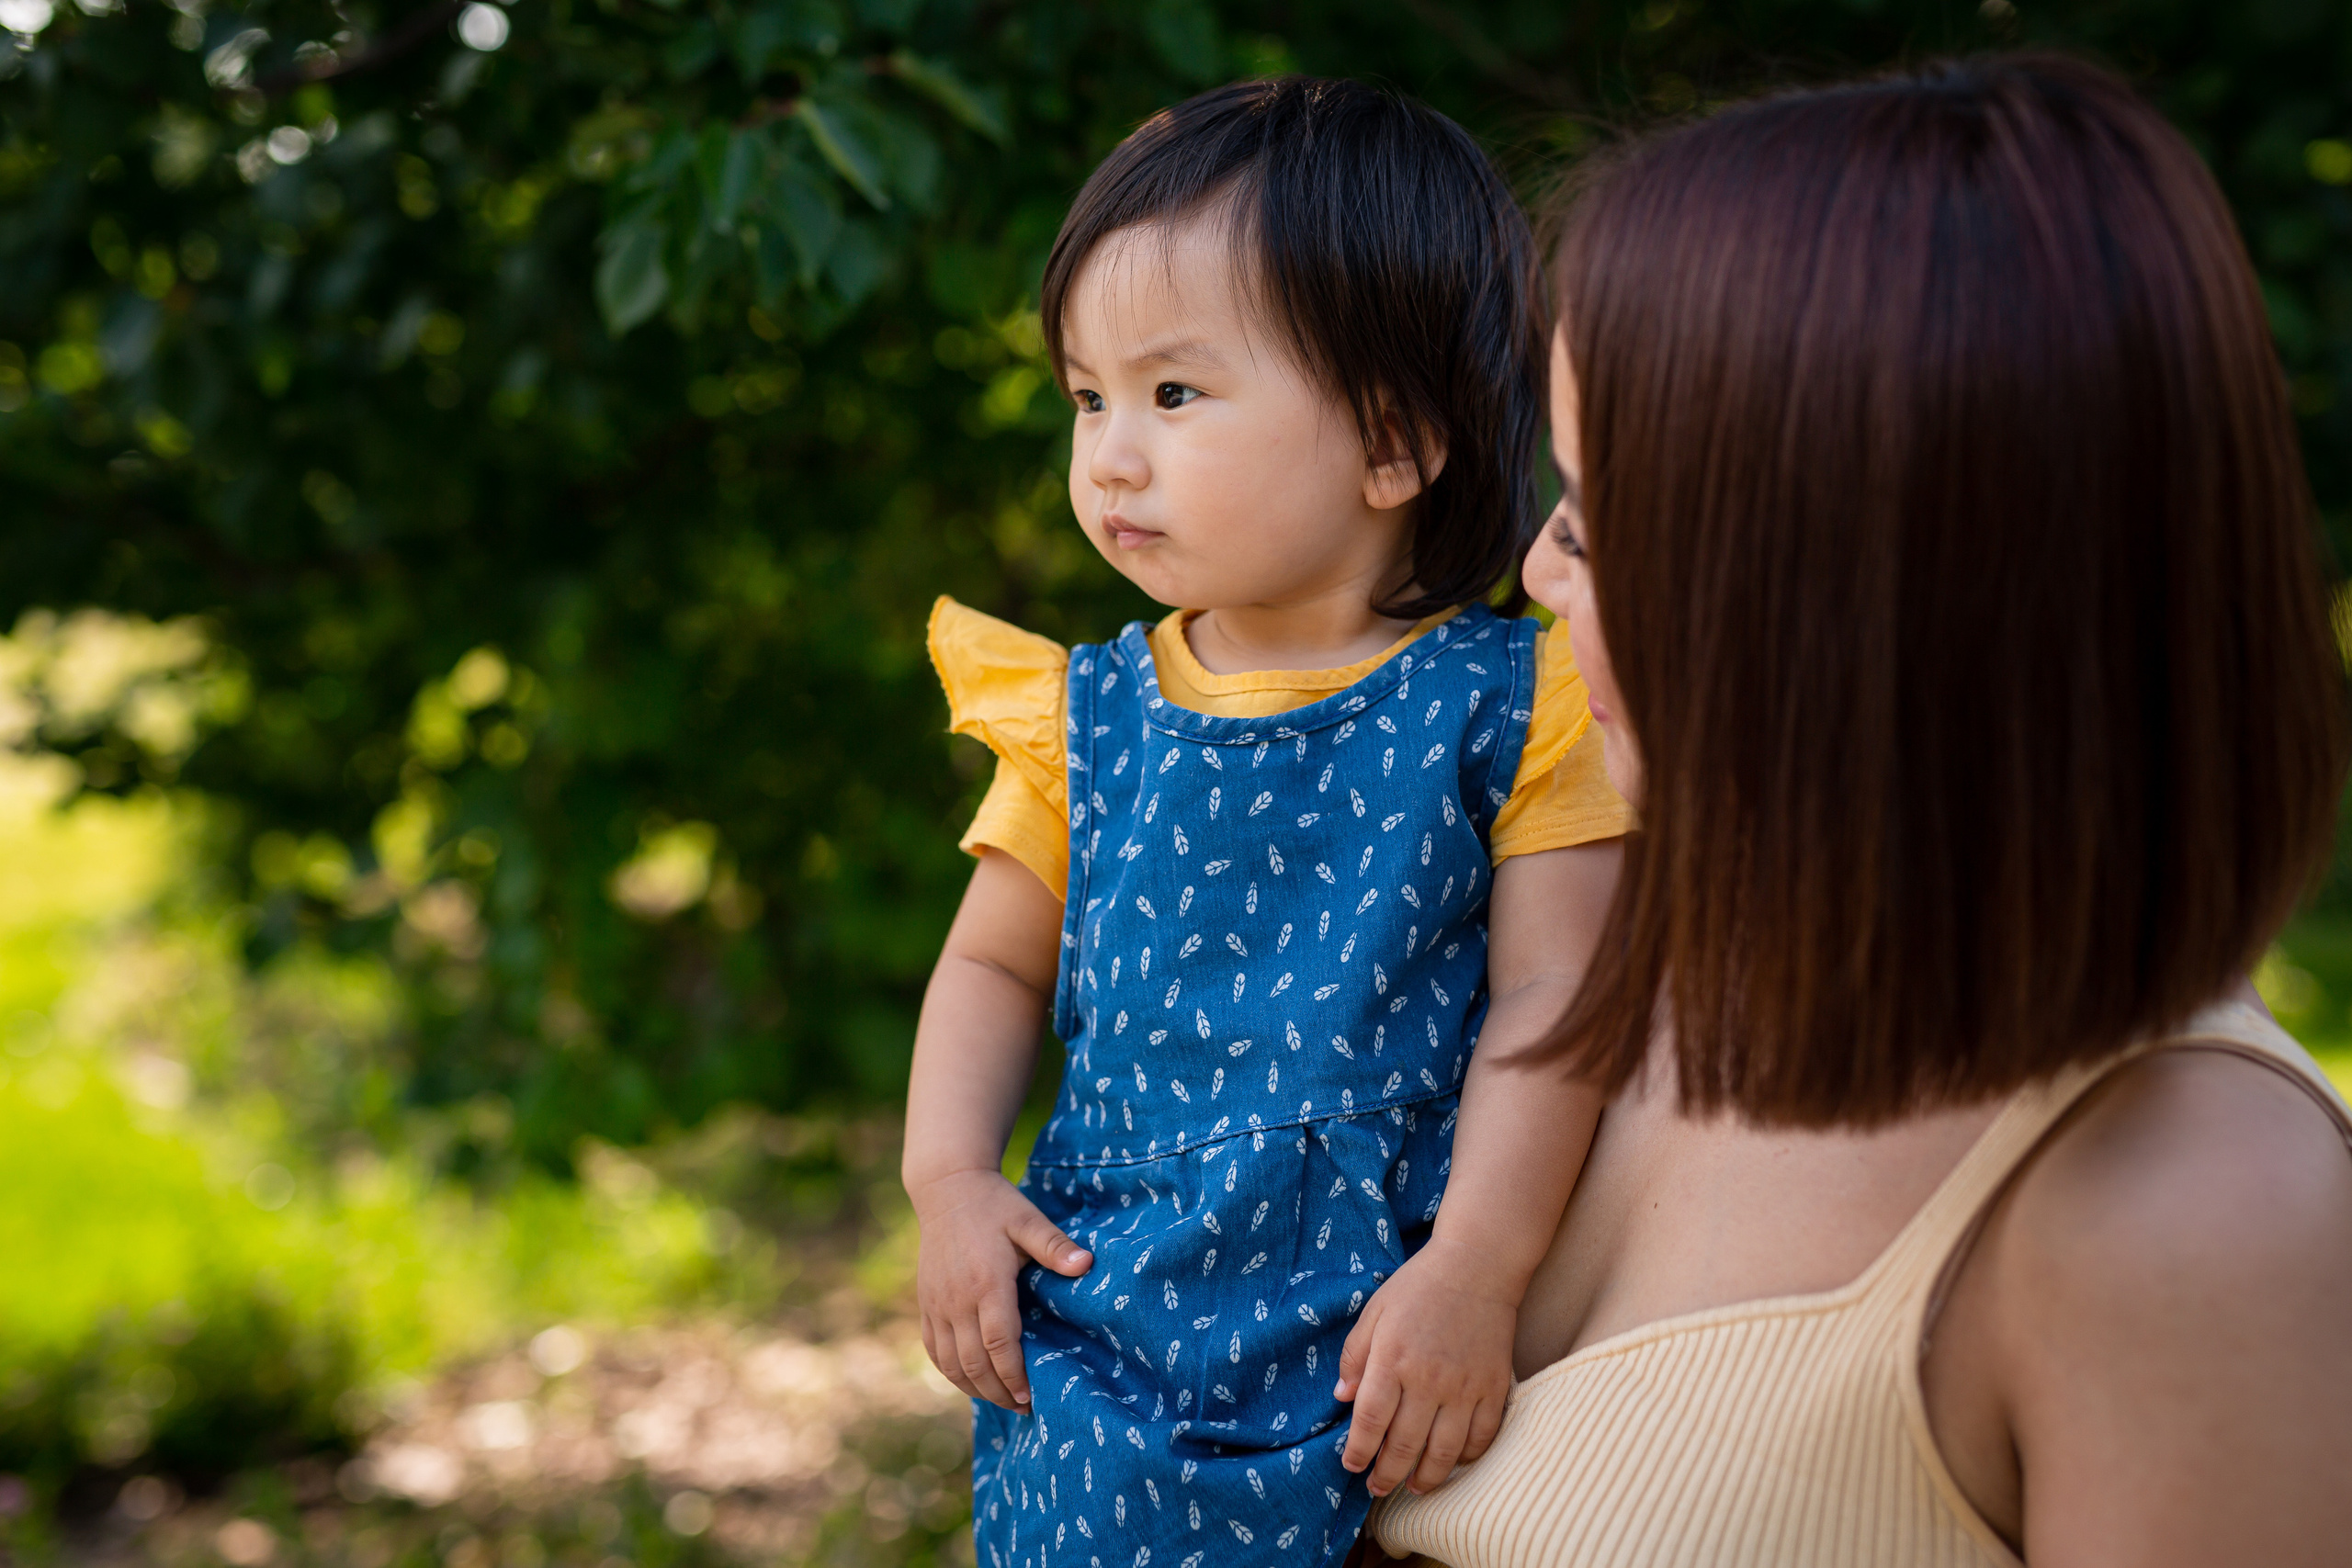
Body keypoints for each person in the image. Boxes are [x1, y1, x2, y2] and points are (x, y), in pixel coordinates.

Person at [1371, 53, 2352, 1567]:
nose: (1537, 581)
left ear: (1840, 598)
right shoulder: (1615, 954)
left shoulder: (2198, 1215)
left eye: (1595, 519)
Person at [902, 78, 1630, 1568]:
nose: (1110, 454)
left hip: (1391, 1315)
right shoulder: (1082, 720)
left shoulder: (1513, 701)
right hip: (1114, 1309)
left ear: (1392, 443)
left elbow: (1559, 997)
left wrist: (1483, 1271)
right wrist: (947, 1179)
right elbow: (990, 972)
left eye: (1172, 396)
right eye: (1087, 397)